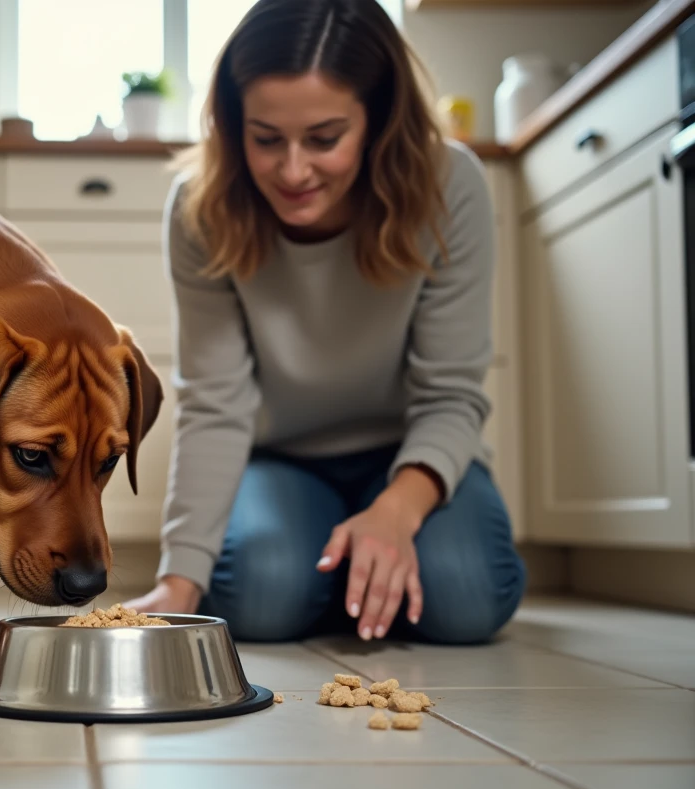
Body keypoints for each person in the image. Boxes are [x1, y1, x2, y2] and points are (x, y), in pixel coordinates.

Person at [125, 0, 526, 645]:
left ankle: (360, 557)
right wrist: (180, 580)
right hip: (280, 459)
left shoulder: (452, 185)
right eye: (265, 139)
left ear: (378, 120)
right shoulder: (200, 210)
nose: (292, 170)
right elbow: (216, 404)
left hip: (411, 454)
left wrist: (397, 511)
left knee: (468, 598)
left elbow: (451, 394)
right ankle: (346, 566)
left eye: (323, 138)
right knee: (257, 600)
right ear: (233, 125)